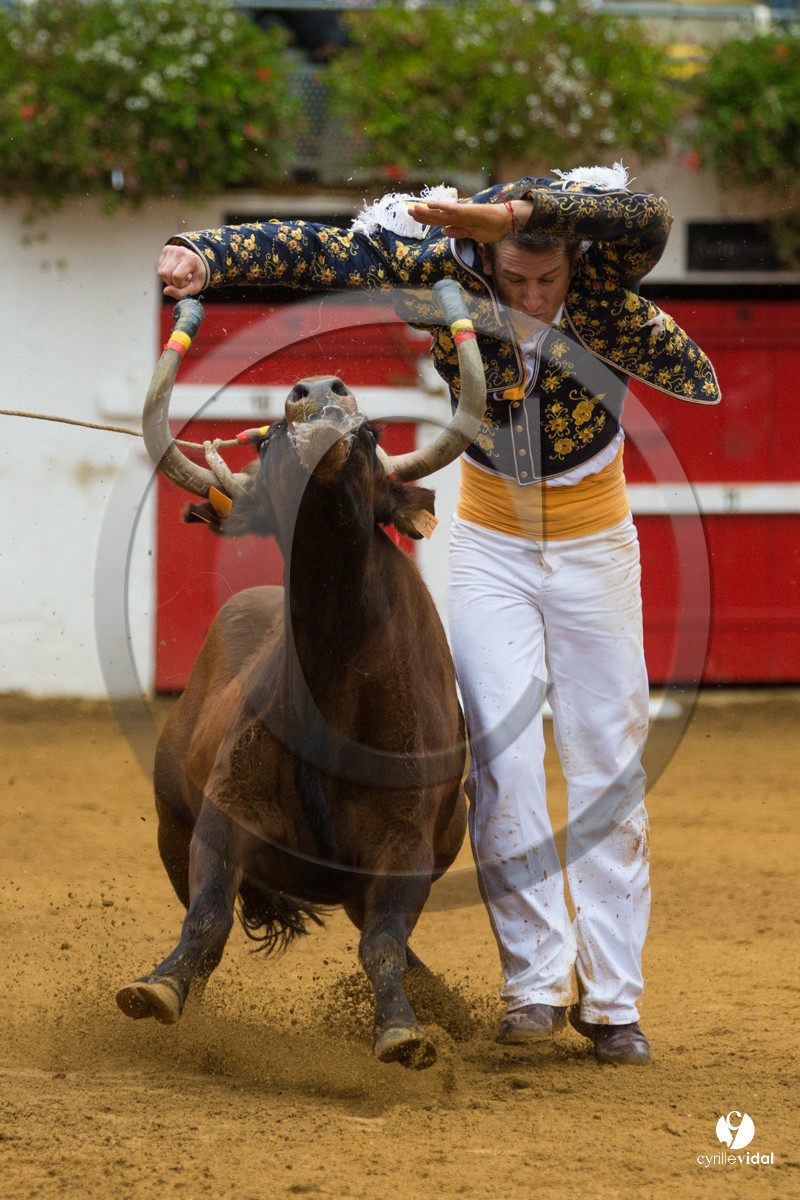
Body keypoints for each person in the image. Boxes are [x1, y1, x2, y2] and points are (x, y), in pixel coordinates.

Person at [157, 165, 720, 1065]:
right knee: (498, 759)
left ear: (573, 260)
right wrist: (205, 252)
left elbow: (645, 212)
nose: (531, 297)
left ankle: (613, 1003)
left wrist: (509, 213)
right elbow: (318, 252)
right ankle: (533, 989)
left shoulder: (607, 269)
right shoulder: (442, 269)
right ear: (485, 263)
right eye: (514, 277)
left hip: (596, 550)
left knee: (607, 765)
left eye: (548, 279)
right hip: (493, 547)